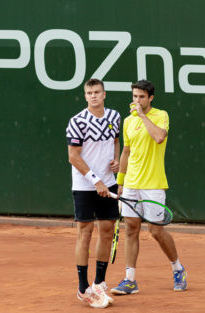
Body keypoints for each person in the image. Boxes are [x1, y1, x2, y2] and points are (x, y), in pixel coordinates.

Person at [110, 80, 187, 295]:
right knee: (131, 229)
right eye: (134, 96)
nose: (136, 101)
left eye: (141, 97)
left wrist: (142, 116)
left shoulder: (161, 115)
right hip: (132, 184)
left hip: (153, 184)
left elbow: (159, 137)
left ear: (150, 98)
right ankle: (130, 279)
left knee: (155, 230)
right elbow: (126, 152)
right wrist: (121, 182)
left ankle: (177, 268)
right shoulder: (127, 122)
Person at [66, 78, 121, 308]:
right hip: (85, 185)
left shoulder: (114, 117)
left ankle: (99, 283)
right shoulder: (78, 121)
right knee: (85, 233)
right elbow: (73, 156)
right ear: (85, 96)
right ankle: (82, 288)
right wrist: (96, 181)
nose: (93, 96)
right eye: (89, 93)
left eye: (97, 92)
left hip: (108, 182)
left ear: (104, 94)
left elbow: (116, 141)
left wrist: (116, 160)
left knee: (107, 230)